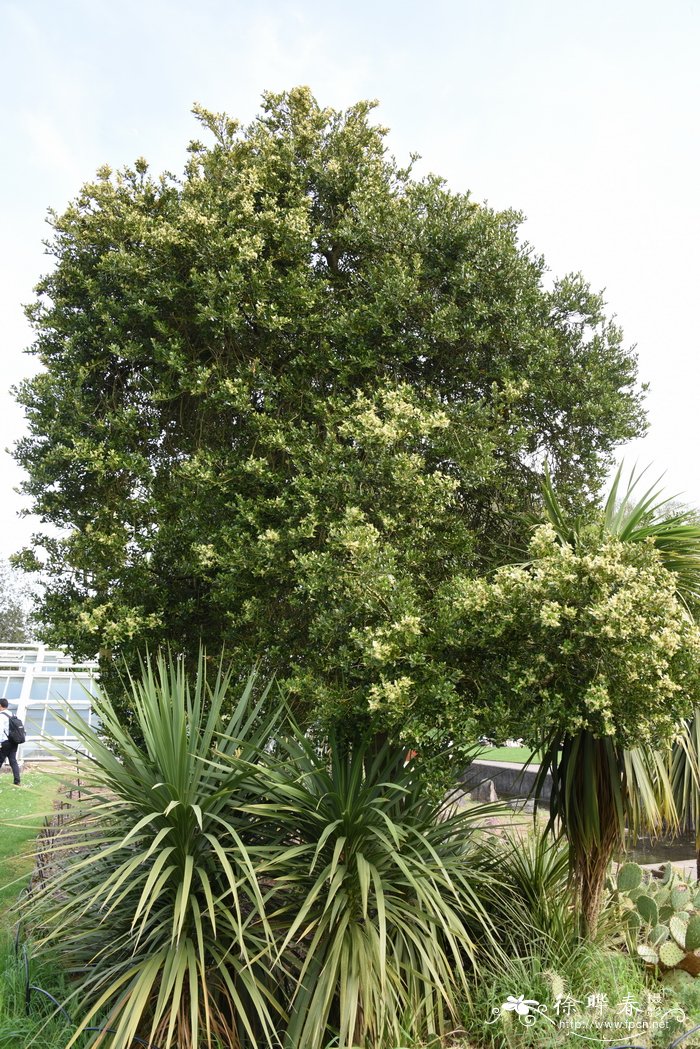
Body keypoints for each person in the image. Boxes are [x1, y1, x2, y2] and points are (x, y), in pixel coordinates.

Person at [0, 698, 21, 785]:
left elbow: (0, 730)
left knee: (0, 760)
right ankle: (17, 781)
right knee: (13, 761)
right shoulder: (13, 714)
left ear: (0, 706)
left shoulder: (1, 716)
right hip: (14, 741)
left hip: (5, 742)